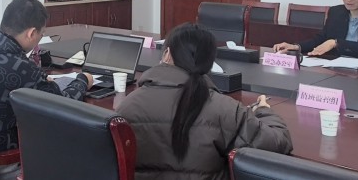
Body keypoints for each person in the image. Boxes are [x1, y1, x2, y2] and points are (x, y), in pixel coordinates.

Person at [117, 23, 292, 180]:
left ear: (167, 54)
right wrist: (263, 110)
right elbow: (279, 143)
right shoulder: (225, 109)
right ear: (210, 63)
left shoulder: (128, 105)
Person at [0, 0, 94, 180]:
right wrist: (82, 80)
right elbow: (65, 105)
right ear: (31, 33)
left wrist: (39, 81)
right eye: (41, 34)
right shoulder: (19, 67)